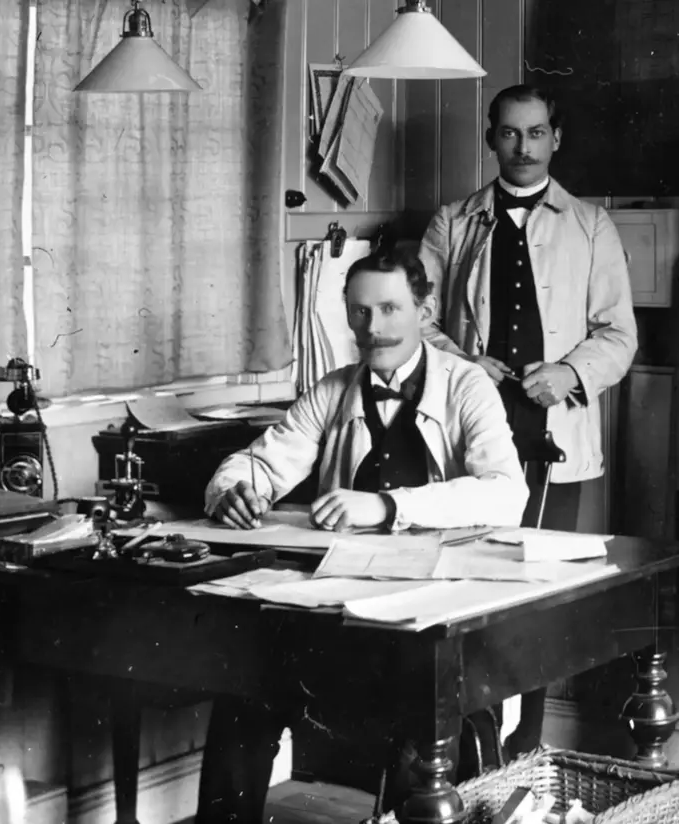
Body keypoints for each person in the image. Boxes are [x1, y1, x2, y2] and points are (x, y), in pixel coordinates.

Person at [194, 247, 529, 824]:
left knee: (424, 729)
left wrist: (386, 505)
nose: (372, 328)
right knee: (243, 694)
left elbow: (506, 493)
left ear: (424, 311)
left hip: (433, 617)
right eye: (359, 312)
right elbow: (260, 462)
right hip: (341, 613)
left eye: (390, 309)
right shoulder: (333, 390)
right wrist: (234, 490)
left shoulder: (467, 385)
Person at [418, 83, 637, 757]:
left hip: (553, 432)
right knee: (465, 593)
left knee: (536, 598)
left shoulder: (590, 225)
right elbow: (416, 321)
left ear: (555, 139)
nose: (523, 146)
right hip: (474, 425)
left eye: (536, 132)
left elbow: (618, 335)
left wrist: (568, 373)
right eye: (510, 133)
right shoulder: (453, 222)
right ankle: (463, 760)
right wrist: (464, 364)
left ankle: (522, 759)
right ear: (492, 138)